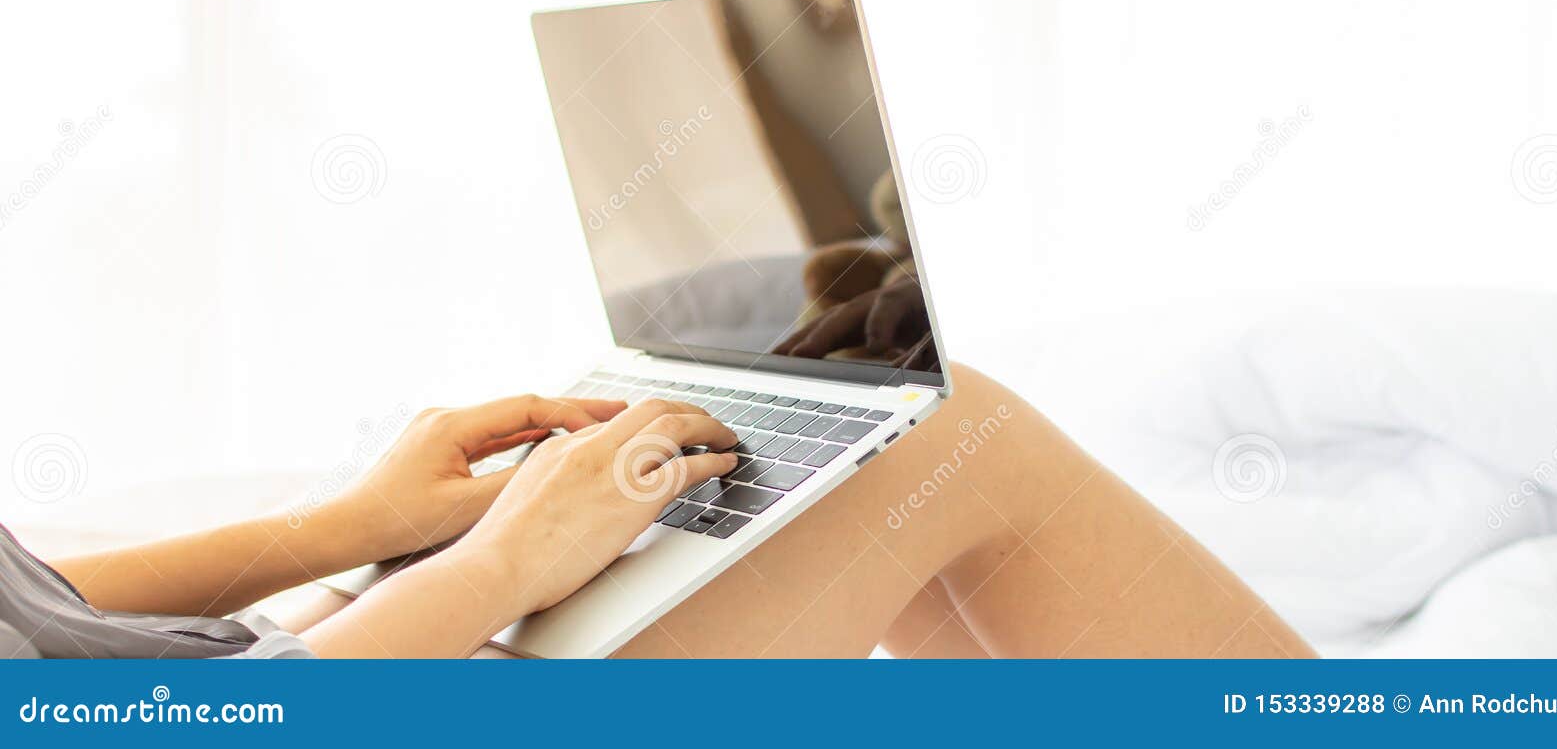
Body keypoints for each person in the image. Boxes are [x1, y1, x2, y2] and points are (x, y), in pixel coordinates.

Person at [4, 365, 1315, 659]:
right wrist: (500, 566)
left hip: (274, 673)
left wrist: (349, 533)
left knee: (845, 459)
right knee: (948, 439)